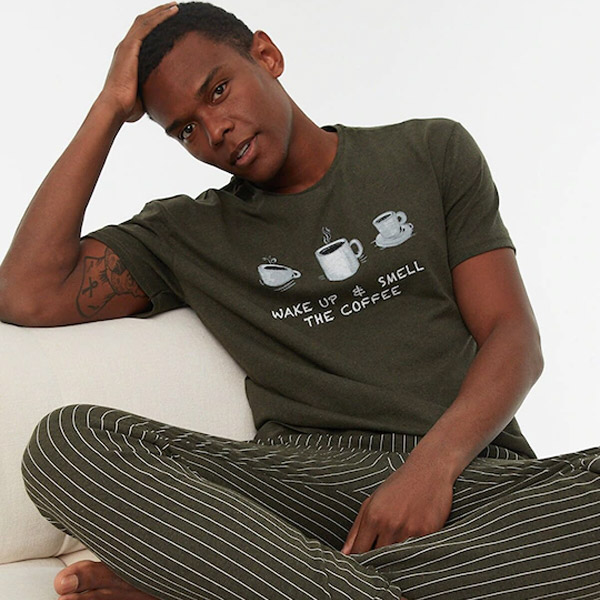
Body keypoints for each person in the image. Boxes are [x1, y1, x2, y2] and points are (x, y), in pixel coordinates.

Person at [1, 2, 598, 599]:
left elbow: (513, 337)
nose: (213, 131)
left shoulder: (430, 151)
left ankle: (229, 583)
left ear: (267, 55)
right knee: (66, 444)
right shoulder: (189, 234)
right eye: (185, 130)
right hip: (304, 488)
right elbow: (25, 292)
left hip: (474, 477)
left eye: (218, 91)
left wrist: (429, 471)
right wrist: (109, 106)